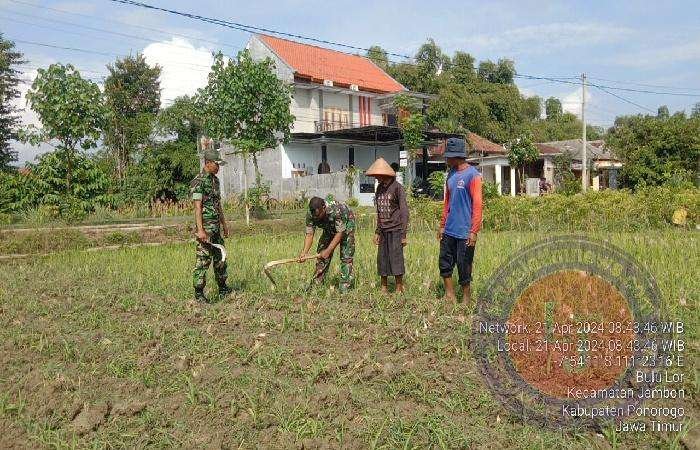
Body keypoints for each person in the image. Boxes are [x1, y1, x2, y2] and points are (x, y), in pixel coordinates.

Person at [438, 137, 483, 304]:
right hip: (449, 229)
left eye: (448, 157)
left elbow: (477, 204)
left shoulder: (473, 175)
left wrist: (474, 231)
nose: (446, 160)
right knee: (444, 263)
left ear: (456, 157)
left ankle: (466, 297)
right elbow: (447, 202)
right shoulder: (450, 174)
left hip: (464, 231)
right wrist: (442, 225)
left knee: (464, 265)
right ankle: (449, 294)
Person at [190, 148, 231, 303]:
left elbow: (218, 205)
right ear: (208, 163)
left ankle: (223, 289)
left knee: (221, 259)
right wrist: (200, 230)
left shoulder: (215, 181)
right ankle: (199, 294)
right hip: (206, 230)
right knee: (203, 261)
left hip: (216, 229)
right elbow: (197, 207)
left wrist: (224, 225)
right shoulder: (198, 181)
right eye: (216, 164)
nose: (219, 167)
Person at [366, 158, 409, 293]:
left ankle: (399, 287)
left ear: (384, 174)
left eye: (377, 175)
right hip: (383, 230)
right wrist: (377, 231)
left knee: (396, 258)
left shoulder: (397, 188)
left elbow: (404, 211)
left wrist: (403, 234)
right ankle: (383, 287)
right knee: (382, 259)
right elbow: (379, 211)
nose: (376, 177)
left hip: (395, 229)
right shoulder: (379, 188)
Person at [298, 195, 356, 292]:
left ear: (324, 207)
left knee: (346, 256)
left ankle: (345, 287)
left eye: (318, 215)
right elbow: (309, 234)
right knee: (321, 255)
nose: (316, 217)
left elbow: (340, 233)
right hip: (328, 227)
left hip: (346, 224)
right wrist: (304, 252)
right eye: (314, 215)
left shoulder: (336, 210)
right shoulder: (311, 213)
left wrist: (328, 250)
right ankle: (317, 284)